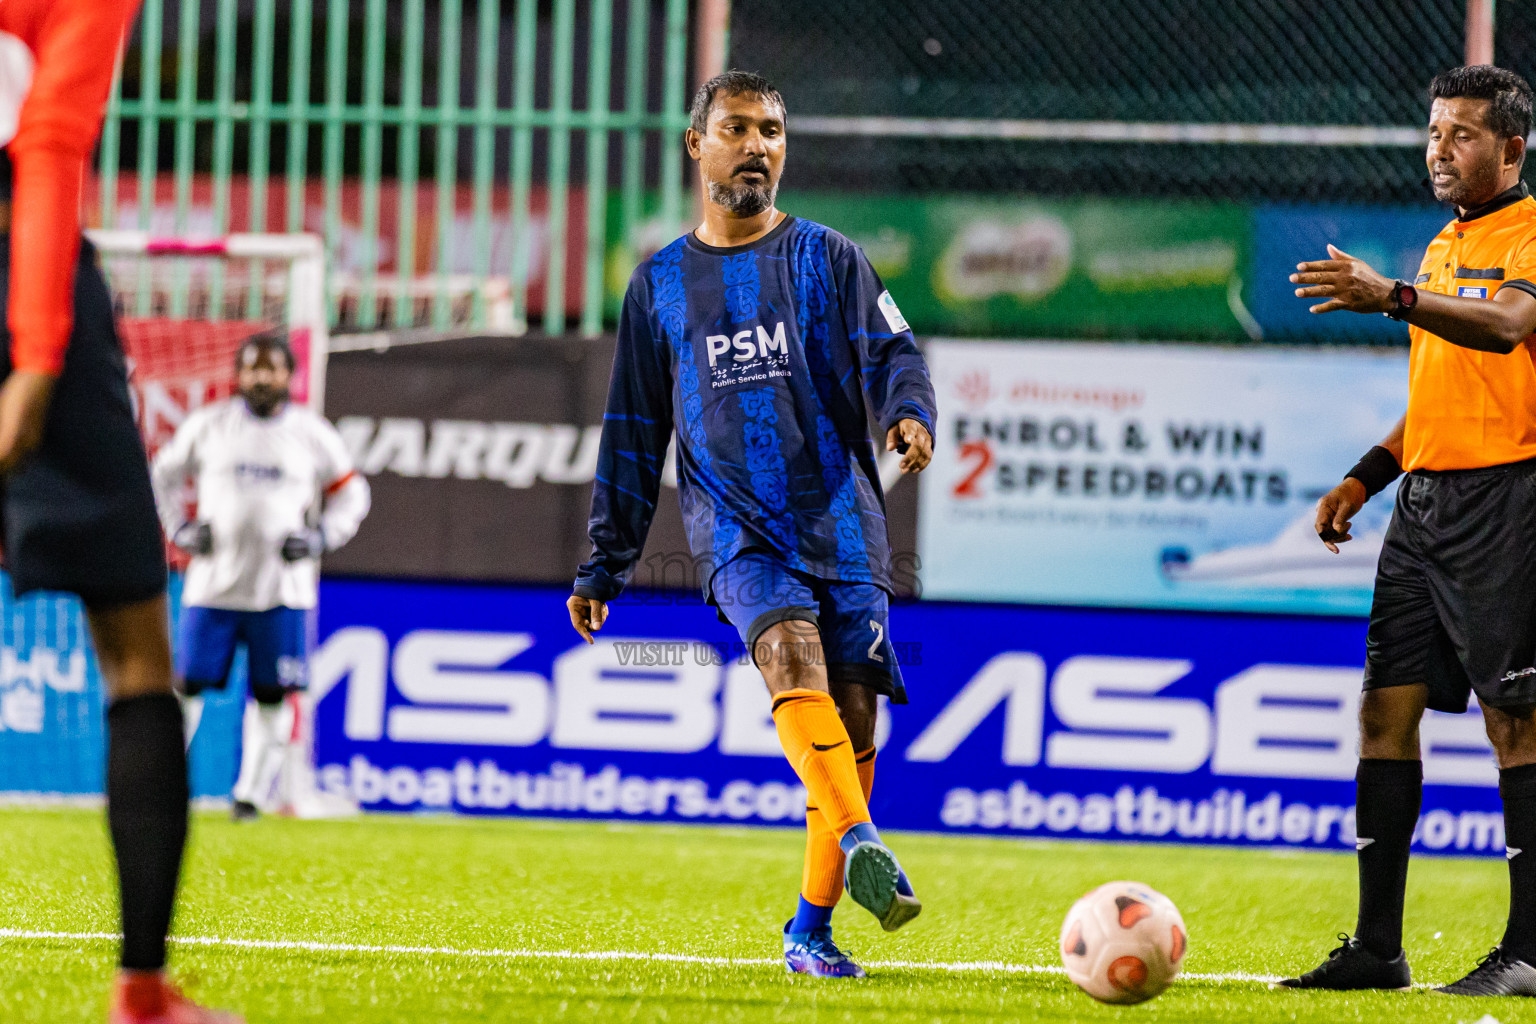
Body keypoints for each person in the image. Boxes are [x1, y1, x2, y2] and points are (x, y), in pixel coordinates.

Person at [567, 70, 936, 979]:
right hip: (736, 529)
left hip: (844, 522)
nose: (757, 145)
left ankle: (811, 928)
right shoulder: (657, 284)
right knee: (788, 660)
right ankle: (862, 844)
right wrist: (605, 561)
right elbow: (633, 428)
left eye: (771, 130)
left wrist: (906, 411)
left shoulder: (828, 257)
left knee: (850, 733)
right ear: (699, 145)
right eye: (736, 128)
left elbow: (894, 349)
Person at [0, 2, 241, 1021]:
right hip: (27, 275)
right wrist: (39, 354)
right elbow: (50, 143)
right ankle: (142, 988)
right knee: (138, 659)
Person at [1280, 65, 1536, 997]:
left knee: (1517, 722)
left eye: (1462, 134)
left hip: (1510, 500)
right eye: (1434, 132)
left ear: (1511, 148)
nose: (1440, 149)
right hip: (1422, 508)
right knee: (1384, 710)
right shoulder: (1441, 246)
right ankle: (1378, 948)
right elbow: (1440, 388)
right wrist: (1366, 475)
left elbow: (1508, 330)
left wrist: (1391, 296)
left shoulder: (1530, 233)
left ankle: (1529, 951)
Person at [153, 332, 369, 821]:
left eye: (271, 368)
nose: (261, 377)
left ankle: (250, 796)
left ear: (288, 375)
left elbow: (353, 493)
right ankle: (164, 788)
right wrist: (179, 529)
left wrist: (322, 537)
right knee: (187, 684)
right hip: (213, 586)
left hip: (282, 591)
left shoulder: (311, 433)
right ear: (238, 374)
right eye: (252, 368)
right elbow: (161, 475)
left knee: (272, 693)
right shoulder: (210, 426)